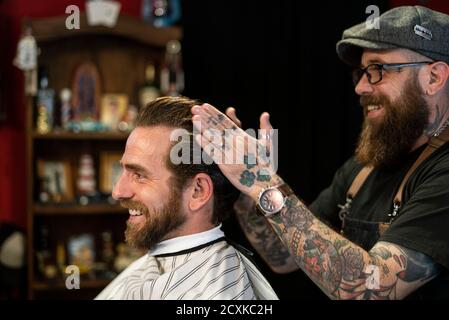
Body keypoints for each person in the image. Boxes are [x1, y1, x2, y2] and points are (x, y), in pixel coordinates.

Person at [191, 6, 449, 299]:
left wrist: (261, 180)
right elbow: (285, 258)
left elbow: (370, 290)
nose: (361, 87)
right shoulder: (364, 169)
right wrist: (240, 183)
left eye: (378, 70)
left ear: (434, 78)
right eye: (361, 73)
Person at [95, 96, 278, 300]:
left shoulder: (218, 293)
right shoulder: (158, 260)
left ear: (198, 191)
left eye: (139, 175)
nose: (118, 191)